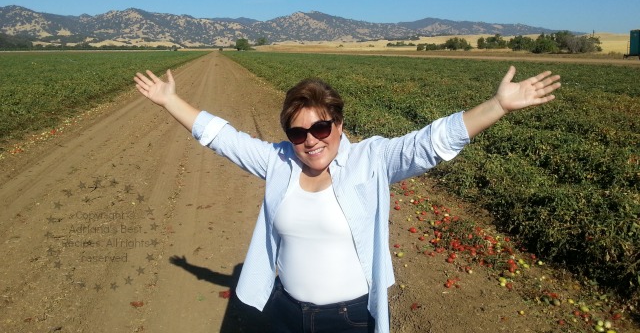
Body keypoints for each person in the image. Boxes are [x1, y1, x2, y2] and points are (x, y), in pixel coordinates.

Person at [134, 65, 560, 333]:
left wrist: (497, 106)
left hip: (349, 318)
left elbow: (429, 143)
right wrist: (171, 101)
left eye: (320, 129)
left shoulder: (371, 160)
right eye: (298, 133)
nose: (310, 142)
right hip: (284, 312)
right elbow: (223, 138)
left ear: (338, 124)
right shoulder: (279, 162)